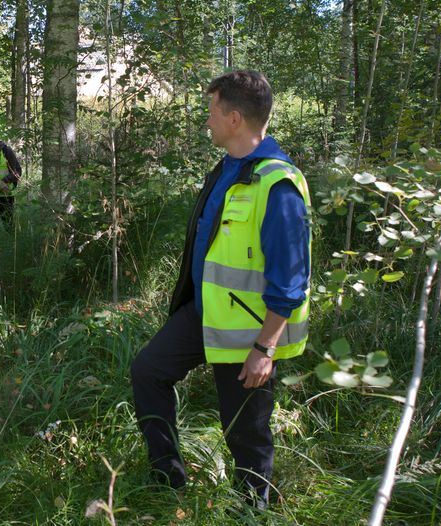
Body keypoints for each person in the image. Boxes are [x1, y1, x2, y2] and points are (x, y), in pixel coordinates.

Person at [130, 70, 311, 510]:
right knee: (148, 371)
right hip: (205, 311)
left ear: (233, 118)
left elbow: (291, 279)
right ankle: (168, 479)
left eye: (211, 112)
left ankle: (252, 509)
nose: (205, 121)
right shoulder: (229, 168)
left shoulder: (277, 184)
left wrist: (264, 348)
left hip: (248, 331)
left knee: (244, 430)